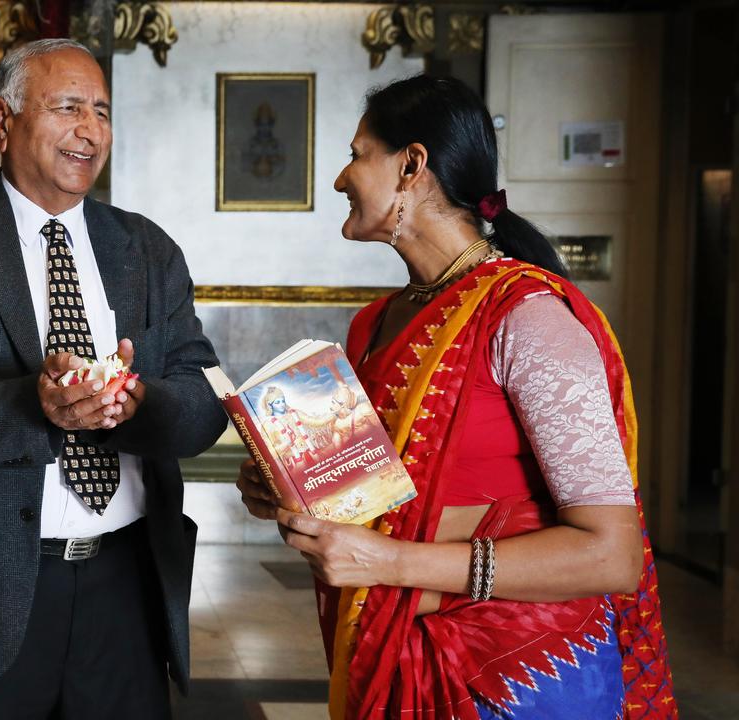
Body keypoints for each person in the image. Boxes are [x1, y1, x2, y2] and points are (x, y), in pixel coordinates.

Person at [235, 75, 675, 719]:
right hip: (395, 656)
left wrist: (391, 561)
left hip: (520, 675)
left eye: (357, 155)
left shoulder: (526, 318)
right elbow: (378, 494)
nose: (339, 178)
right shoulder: (372, 324)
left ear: (412, 165)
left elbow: (611, 555)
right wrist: (289, 482)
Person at [0, 38, 226, 719]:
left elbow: (204, 398)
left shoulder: (146, 249)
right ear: (1, 120)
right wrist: (36, 406)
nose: (90, 131)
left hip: (127, 588)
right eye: (67, 108)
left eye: (101, 111)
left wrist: (141, 400)